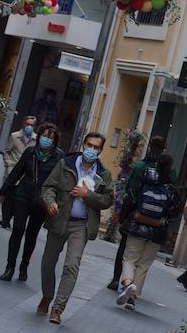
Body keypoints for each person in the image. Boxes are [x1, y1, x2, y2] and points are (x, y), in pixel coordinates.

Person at [38, 131, 113, 324]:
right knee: (47, 263)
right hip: (60, 219)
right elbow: (48, 187)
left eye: (96, 147)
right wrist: (50, 202)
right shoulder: (66, 164)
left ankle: (58, 308)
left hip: (82, 225)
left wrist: (88, 195)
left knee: (72, 265)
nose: (92, 150)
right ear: (83, 145)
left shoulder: (104, 174)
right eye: (89, 145)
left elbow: (107, 200)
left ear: (100, 150)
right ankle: (47, 295)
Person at [114, 153, 179, 310]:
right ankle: (132, 298)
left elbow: (130, 200)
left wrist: (125, 218)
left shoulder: (143, 181)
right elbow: (175, 210)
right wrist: (163, 219)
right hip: (157, 231)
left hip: (137, 225)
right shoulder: (171, 189)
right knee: (144, 264)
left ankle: (128, 284)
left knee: (130, 258)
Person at [0, 122, 60, 281]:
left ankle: (24, 266)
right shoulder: (30, 152)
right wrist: (3, 192)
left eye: (50, 138)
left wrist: (55, 201)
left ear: (55, 140)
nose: (46, 139)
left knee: (32, 235)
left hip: (42, 201)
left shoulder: (59, 157)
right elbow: (16, 173)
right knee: (17, 230)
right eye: (44, 136)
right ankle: (10, 267)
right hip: (23, 194)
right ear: (38, 137)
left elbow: (60, 182)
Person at [106, 134, 161, 291]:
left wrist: (125, 213)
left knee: (125, 248)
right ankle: (132, 285)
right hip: (154, 218)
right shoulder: (166, 171)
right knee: (143, 255)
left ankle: (117, 279)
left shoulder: (140, 166)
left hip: (134, 213)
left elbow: (129, 189)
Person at [0, 116, 35, 228]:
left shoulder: (35, 139)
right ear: (23, 124)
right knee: (8, 195)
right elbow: (6, 151)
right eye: (27, 124)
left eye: (31, 125)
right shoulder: (14, 136)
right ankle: (5, 218)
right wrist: (8, 164)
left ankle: (11, 217)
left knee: (18, 197)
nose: (29, 127)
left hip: (25, 173)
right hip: (12, 169)